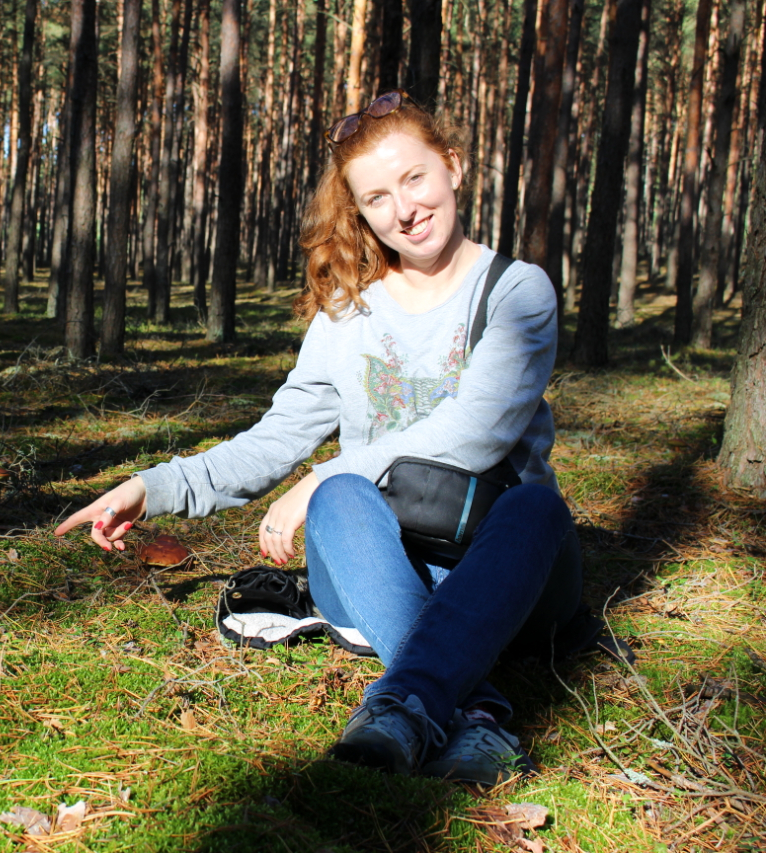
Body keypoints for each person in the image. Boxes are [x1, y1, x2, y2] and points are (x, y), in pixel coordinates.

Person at [54, 90, 582, 786]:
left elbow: (475, 435)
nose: (404, 208)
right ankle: (474, 713)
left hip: (499, 573)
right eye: (376, 197)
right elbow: (275, 438)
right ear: (359, 211)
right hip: (375, 567)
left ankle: (412, 699)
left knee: (537, 508)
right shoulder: (348, 313)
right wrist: (152, 487)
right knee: (341, 502)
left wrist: (320, 475)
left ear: (452, 165)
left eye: (415, 178)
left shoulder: (518, 292)